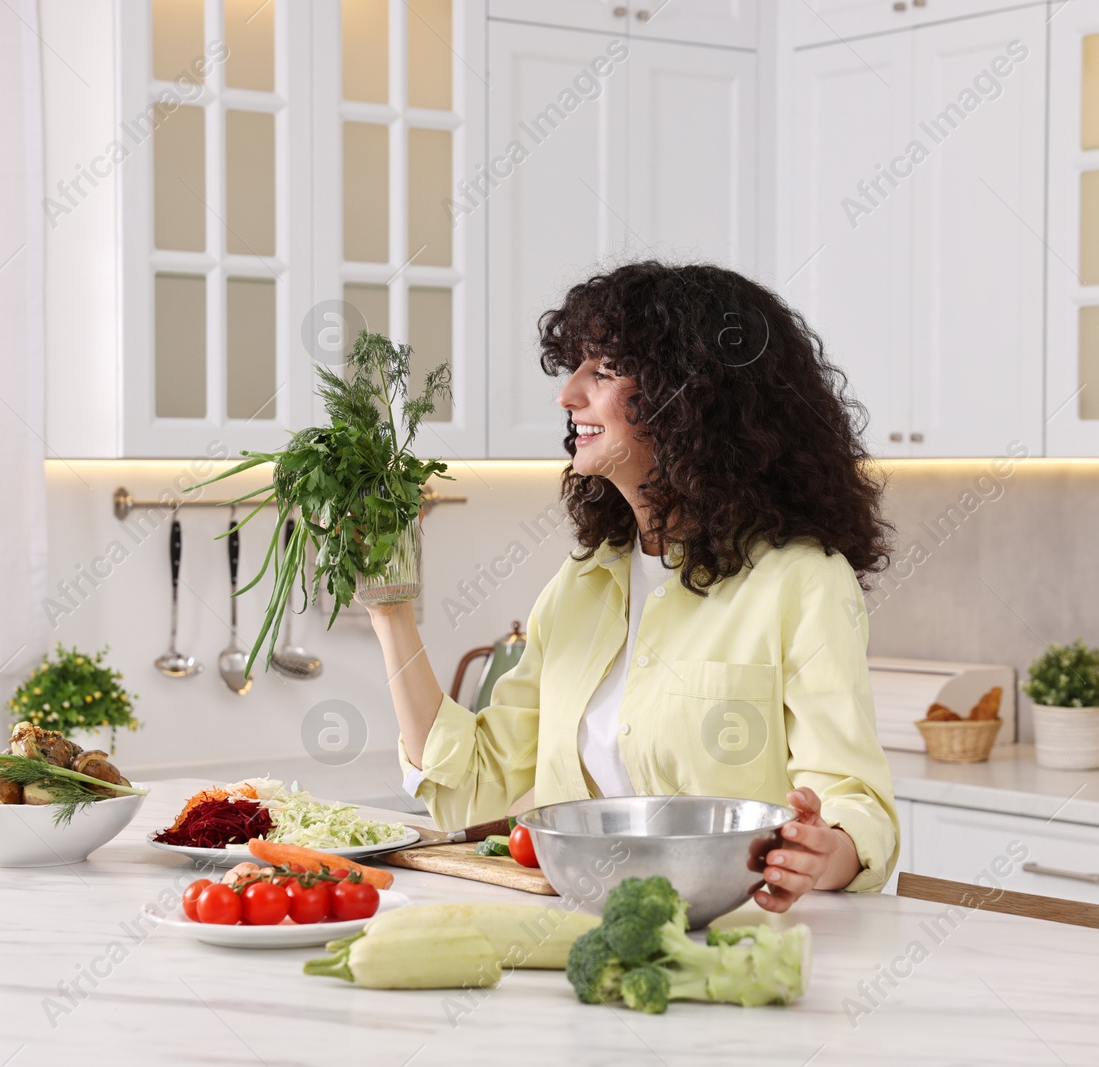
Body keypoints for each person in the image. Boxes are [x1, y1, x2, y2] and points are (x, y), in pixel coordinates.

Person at [366, 260, 899, 910]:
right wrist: (391, 612)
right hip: (583, 945)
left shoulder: (801, 581)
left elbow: (855, 804)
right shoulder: (582, 586)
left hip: (735, 954)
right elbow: (471, 785)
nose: (568, 395)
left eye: (604, 370)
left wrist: (824, 850)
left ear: (692, 397)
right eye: (576, 367)